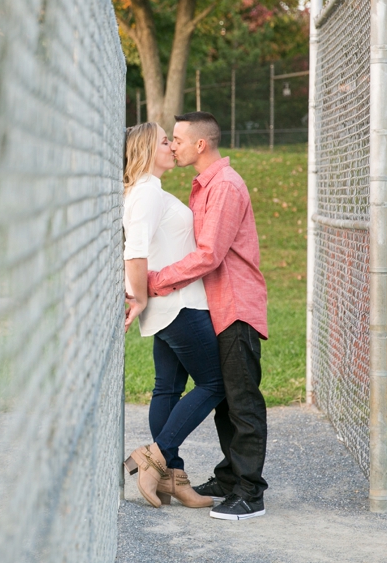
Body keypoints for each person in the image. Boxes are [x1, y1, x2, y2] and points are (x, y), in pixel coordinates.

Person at [147, 111, 269, 521]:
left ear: (201, 144)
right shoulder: (204, 187)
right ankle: (229, 477)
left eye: (177, 139)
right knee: (225, 400)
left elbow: (209, 255)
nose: (173, 145)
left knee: (243, 401)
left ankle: (250, 493)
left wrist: (157, 280)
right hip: (213, 306)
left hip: (235, 306)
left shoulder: (226, 187)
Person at [122, 122, 225, 509]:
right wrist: (142, 297)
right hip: (180, 305)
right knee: (214, 384)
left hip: (170, 305)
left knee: (166, 388)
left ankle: (173, 480)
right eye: (165, 141)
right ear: (148, 150)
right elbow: (135, 251)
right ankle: (155, 457)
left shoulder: (145, 191)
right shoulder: (147, 192)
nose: (171, 146)